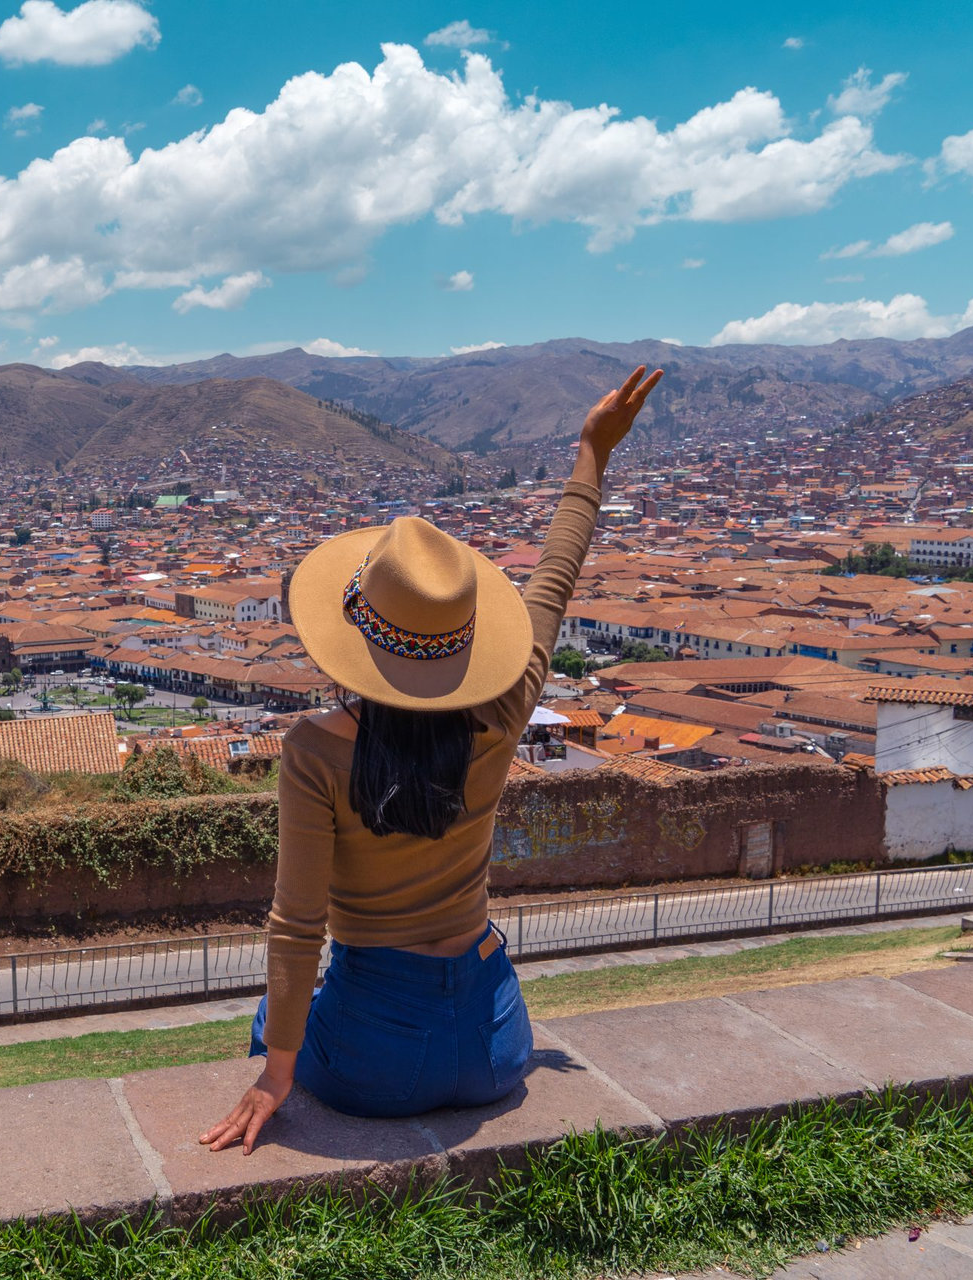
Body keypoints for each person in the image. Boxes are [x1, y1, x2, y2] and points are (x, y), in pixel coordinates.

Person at [201, 365, 662, 1153]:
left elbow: (297, 925)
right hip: (495, 1046)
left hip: (373, 1063)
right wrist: (592, 453)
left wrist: (276, 1077)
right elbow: (554, 577)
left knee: (271, 1021)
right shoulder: (506, 708)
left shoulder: (314, 750)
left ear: (355, 637)